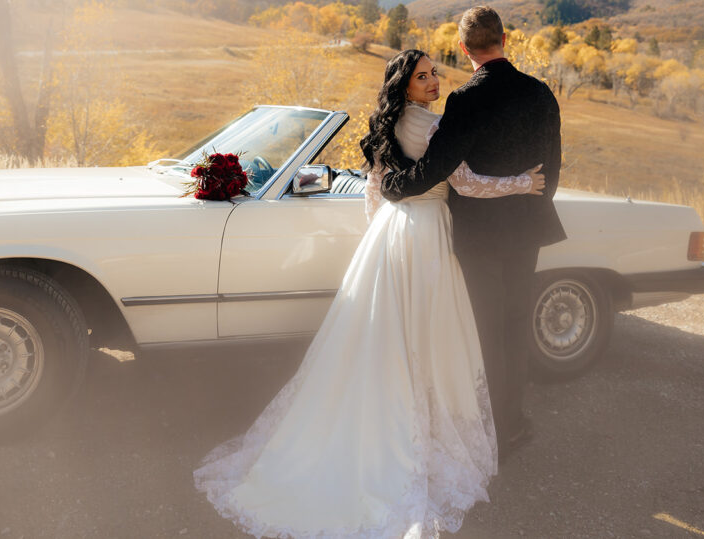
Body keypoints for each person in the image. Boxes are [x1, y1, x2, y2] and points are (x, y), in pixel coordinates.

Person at [193, 49, 545, 538]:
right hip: (427, 236)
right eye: (423, 76)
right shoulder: (437, 128)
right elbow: (466, 183)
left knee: (386, 338)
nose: (433, 80)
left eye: (434, 73)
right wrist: (523, 182)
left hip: (391, 235)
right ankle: (421, 428)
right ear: (405, 85)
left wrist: (378, 242)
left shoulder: (385, 128)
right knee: (429, 336)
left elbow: (373, 194)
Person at [381, 6, 565, 460]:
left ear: (464, 49)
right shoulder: (542, 93)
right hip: (526, 231)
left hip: (481, 236)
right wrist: (530, 202)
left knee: (485, 329)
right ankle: (511, 426)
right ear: (505, 38)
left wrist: (392, 186)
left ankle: (487, 428)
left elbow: (437, 169)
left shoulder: (464, 101)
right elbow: (553, 169)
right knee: (516, 324)